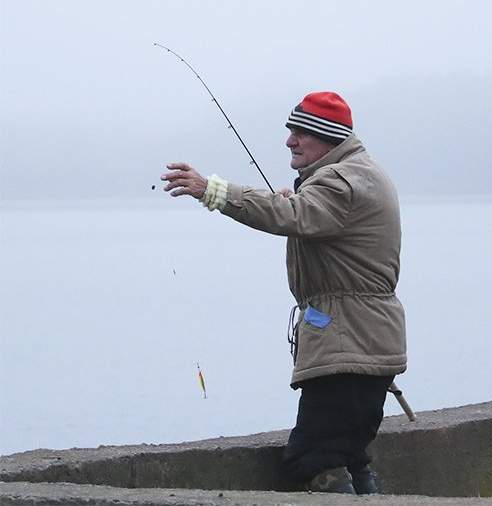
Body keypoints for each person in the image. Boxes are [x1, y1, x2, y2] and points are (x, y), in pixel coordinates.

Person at [160, 91, 407, 494]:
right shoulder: (362, 174)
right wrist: (296, 202)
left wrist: (212, 190)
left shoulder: (341, 181)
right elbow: (309, 215)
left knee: (314, 457)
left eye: (299, 133)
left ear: (327, 138)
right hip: (367, 340)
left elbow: (288, 215)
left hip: (347, 343)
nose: (289, 141)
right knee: (350, 454)